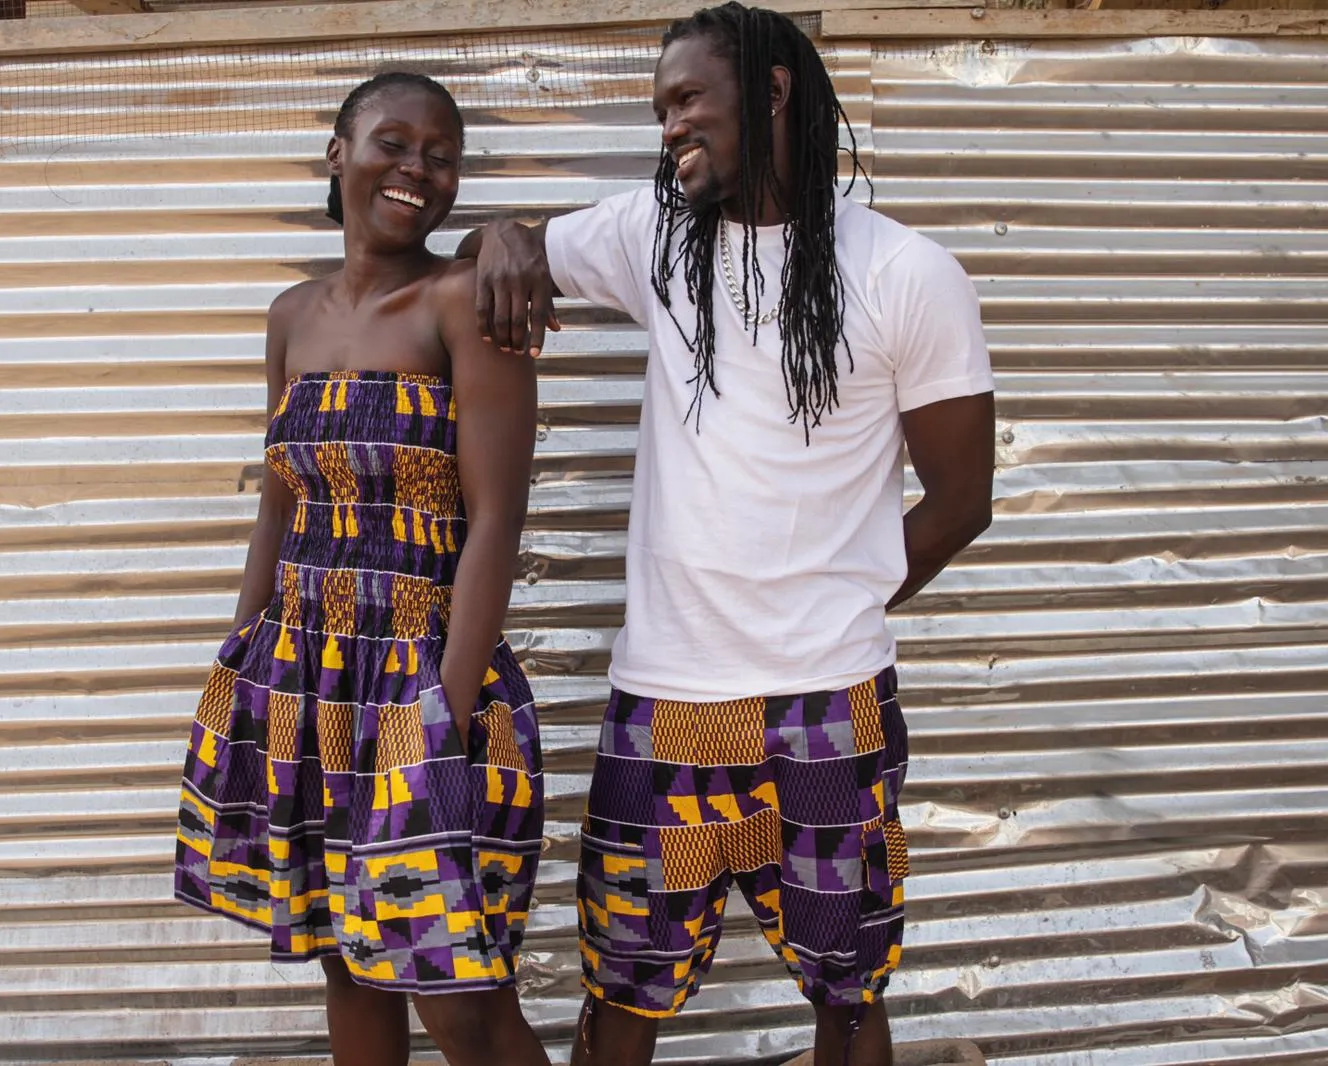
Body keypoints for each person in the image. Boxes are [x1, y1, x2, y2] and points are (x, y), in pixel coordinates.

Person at [458, 5, 996, 1065]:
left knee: (847, 992)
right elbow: (503, 251)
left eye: (686, 100)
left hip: (826, 704)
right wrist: (507, 238)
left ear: (773, 92)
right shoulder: (652, 232)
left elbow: (959, 500)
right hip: (668, 701)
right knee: (623, 990)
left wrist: (834, 604)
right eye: (661, 108)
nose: (667, 128)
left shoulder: (904, 273)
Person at [174, 72, 549, 1066]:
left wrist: (445, 714)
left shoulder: (463, 303)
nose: (418, 170)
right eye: (394, 143)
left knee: (454, 986)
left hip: (424, 679)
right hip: (306, 677)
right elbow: (280, 501)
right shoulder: (290, 315)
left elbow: (498, 520)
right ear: (337, 153)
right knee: (348, 955)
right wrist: (241, 658)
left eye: (441, 155)